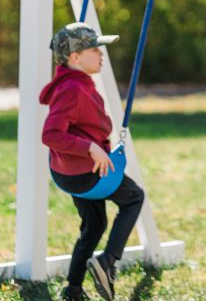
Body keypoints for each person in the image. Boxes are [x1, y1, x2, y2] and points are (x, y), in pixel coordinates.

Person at [40, 22, 146, 301]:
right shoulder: (73, 88)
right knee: (134, 197)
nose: (101, 54)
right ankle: (108, 262)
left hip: (69, 173)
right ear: (75, 57)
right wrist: (90, 148)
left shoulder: (72, 83)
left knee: (94, 226)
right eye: (95, 49)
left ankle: (73, 288)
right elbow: (50, 134)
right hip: (85, 172)